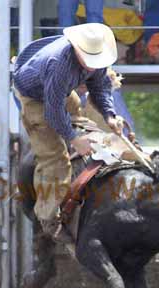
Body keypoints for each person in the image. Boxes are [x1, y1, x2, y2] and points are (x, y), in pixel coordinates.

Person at [13, 23, 123, 242]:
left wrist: (110, 115)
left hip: (60, 90)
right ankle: (47, 218)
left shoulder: (96, 59)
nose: (92, 66)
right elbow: (52, 111)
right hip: (34, 96)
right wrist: (74, 139)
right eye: (89, 61)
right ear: (78, 51)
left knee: (82, 120)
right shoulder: (59, 64)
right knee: (55, 158)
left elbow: (99, 87)